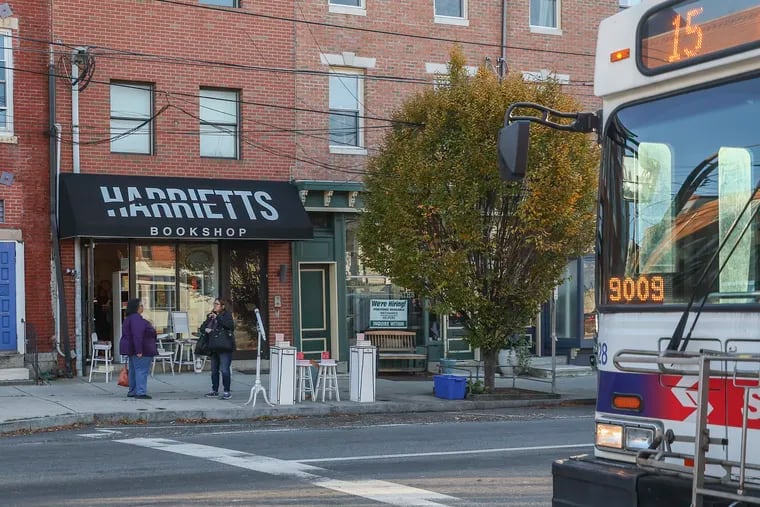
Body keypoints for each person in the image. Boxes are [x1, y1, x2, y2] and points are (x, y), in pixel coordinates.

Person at [118, 298, 157, 399]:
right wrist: (139, 350)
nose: (142, 307)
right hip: (143, 349)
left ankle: (133, 390)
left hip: (133, 349)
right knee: (141, 370)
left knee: (134, 370)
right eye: (141, 305)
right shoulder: (136, 319)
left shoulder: (129, 318)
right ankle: (140, 392)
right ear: (136, 307)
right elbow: (137, 335)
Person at [202, 297, 235, 400]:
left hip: (224, 346)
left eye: (217, 304)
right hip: (214, 346)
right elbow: (202, 327)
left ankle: (227, 391)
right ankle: (214, 390)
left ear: (222, 306)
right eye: (214, 304)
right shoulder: (211, 316)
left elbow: (230, 326)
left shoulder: (227, 315)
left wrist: (218, 318)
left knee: (225, 370)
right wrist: (206, 328)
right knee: (214, 370)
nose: (214, 306)